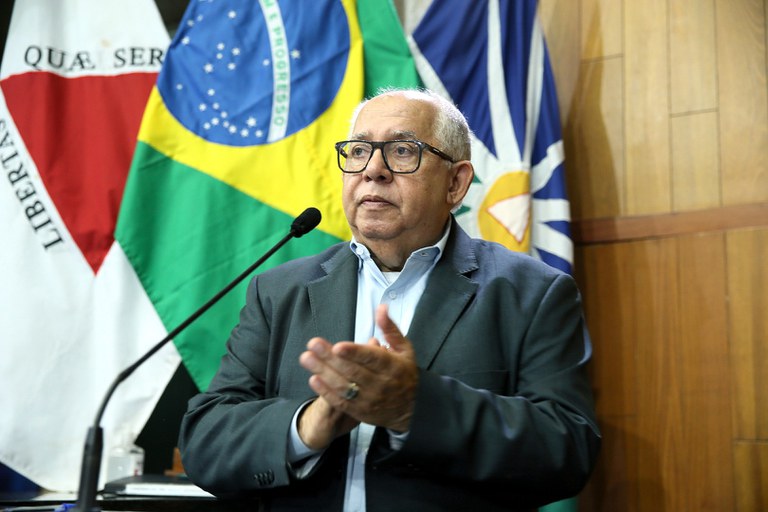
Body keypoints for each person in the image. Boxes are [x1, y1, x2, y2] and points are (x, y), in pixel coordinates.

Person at [178, 89, 601, 511]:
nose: (372, 170)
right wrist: (306, 425)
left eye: (402, 151)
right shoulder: (279, 291)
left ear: (455, 183)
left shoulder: (531, 293)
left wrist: (415, 409)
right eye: (359, 151)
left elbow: (568, 449)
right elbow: (205, 441)